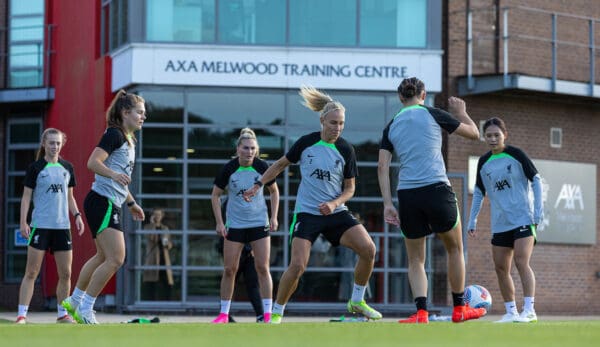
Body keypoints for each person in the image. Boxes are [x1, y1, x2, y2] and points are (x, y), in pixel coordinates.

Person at [244, 86, 381, 324]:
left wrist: (334, 203)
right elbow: (278, 165)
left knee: (369, 249)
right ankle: (276, 313)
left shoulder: (346, 150)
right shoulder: (306, 143)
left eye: (341, 123)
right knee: (297, 266)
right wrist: (258, 185)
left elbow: (350, 189)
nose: (337, 128)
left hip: (335, 211)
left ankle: (357, 301)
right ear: (322, 120)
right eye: (333, 123)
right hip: (307, 214)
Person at [377, 77, 486, 324]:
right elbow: (474, 134)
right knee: (455, 249)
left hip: (408, 195)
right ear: (423, 95)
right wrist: (462, 112)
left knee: (416, 259)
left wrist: (387, 204)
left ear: (400, 98)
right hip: (437, 190)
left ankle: (421, 313)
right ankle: (459, 309)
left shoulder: (391, 125)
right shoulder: (433, 113)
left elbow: (382, 166)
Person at [61, 90, 146, 324]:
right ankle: (87, 308)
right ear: (125, 112)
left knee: (102, 256)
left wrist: (131, 203)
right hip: (102, 201)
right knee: (116, 258)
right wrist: (113, 174)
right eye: (139, 112)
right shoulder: (114, 135)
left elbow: (120, 177)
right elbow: (92, 163)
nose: (143, 117)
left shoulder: (128, 140)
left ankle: (75, 300)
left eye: (144, 113)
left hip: (106, 202)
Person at [467, 117, 542, 323]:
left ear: (504, 135)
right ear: (484, 137)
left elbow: (536, 180)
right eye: (488, 135)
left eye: (496, 135)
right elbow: (480, 192)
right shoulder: (483, 162)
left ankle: (530, 310)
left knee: (521, 261)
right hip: (500, 223)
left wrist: (538, 212)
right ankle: (511, 312)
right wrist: (472, 220)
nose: (492, 139)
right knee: (501, 268)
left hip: (523, 219)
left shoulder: (516, 155)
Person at [15, 128, 85, 324]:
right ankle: (22, 315)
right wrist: (23, 222)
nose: (55, 146)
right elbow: (26, 197)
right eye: (51, 143)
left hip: (62, 228)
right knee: (31, 272)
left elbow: (70, 197)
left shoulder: (67, 168)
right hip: (41, 226)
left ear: (62, 144)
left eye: (58, 143)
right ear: (44, 144)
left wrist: (77, 215)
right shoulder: (36, 168)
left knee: (66, 273)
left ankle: (62, 314)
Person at [210, 128, 279, 324]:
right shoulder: (229, 168)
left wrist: (274, 217)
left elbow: (274, 192)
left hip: (259, 223)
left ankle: (267, 315)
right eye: (246, 148)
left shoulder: (262, 166)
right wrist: (219, 222)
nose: (249, 152)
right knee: (229, 269)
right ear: (238, 148)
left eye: (253, 149)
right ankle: (224, 314)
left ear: (256, 151)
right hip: (236, 225)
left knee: (262, 268)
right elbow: (215, 195)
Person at [142, 208, 174, 301]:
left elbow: (170, 244)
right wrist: (153, 225)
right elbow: (151, 237)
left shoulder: (165, 228)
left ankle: (167, 300)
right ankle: (151, 301)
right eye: (155, 215)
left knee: (166, 281)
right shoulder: (148, 227)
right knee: (152, 281)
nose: (157, 217)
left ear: (162, 216)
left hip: (164, 257)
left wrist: (167, 244)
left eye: (159, 215)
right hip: (153, 257)